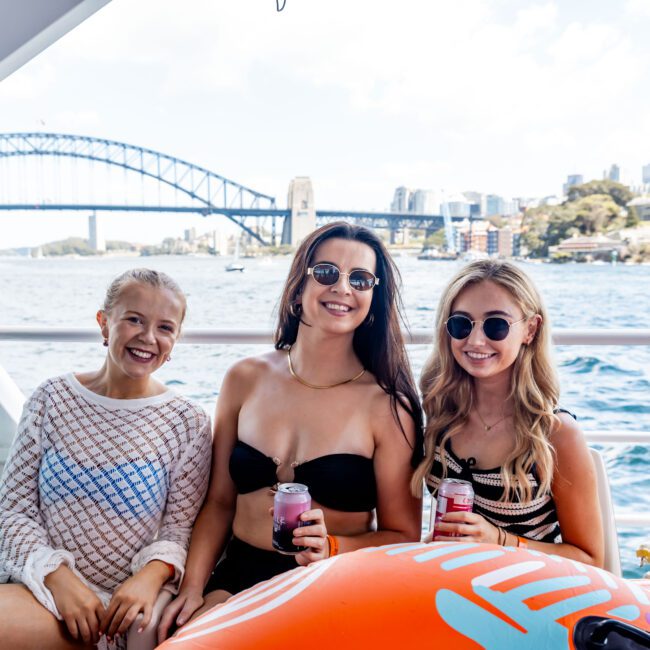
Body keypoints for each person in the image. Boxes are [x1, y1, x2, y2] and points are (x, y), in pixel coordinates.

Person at [158, 222, 423, 640]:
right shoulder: (245, 378)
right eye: (326, 273)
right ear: (299, 285)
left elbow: (404, 536)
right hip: (236, 575)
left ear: (373, 300)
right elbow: (220, 503)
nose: (342, 287)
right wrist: (192, 588)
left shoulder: (388, 406)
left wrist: (334, 545)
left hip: (330, 582)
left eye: (359, 279)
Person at [0, 269, 212, 650]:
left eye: (165, 327)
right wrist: (57, 577)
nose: (148, 338)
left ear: (175, 340)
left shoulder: (188, 422)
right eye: (134, 319)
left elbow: (179, 532)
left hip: (125, 608)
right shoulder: (51, 399)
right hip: (44, 588)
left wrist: (149, 577)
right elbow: (12, 512)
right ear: (104, 322)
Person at [412, 260, 604, 566]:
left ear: (530, 329)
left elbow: (590, 559)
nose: (475, 340)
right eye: (462, 323)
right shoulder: (440, 413)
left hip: (527, 600)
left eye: (496, 325)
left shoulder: (554, 432)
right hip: (453, 589)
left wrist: (499, 541)